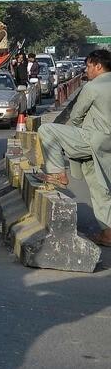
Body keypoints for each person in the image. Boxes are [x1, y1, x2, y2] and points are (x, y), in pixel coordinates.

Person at [33, 49, 111, 246]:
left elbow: (76, 116)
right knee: (100, 187)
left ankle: (58, 174)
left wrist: (73, 136)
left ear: (98, 66)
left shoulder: (92, 87)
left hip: (93, 139)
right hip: (107, 146)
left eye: (89, 66)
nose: (87, 70)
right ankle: (108, 233)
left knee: (47, 130)